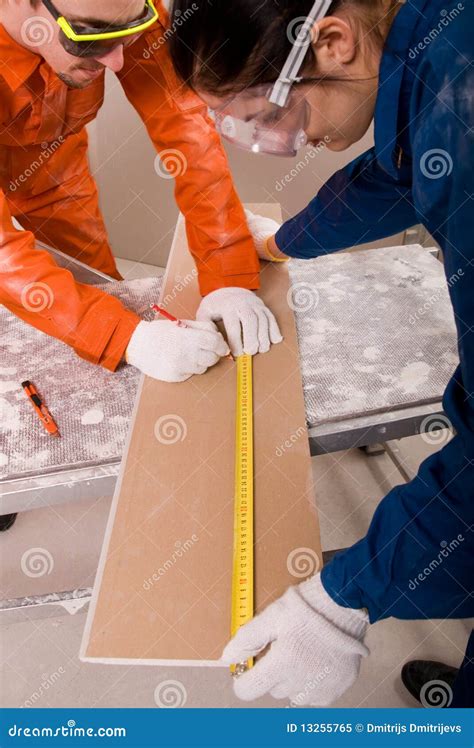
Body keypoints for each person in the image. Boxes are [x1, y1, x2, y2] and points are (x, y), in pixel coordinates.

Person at [169, 0, 474, 706]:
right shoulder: (427, 48)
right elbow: (400, 172)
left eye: (268, 115)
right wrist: (278, 243)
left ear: (331, 42)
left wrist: (340, 600)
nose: (281, 142)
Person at [0, 0, 282, 386]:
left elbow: (185, 130)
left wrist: (227, 269)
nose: (117, 61)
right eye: (90, 39)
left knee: (102, 292)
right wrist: (124, 337)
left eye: (128, 36)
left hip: (53, 173)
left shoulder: (121, 6)